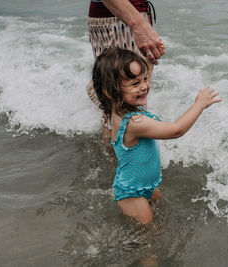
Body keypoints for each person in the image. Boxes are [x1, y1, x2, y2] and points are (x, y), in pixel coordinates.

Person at [92, 47, 221, 224]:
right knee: (150, 233)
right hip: (131, 193)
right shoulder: (133, 123)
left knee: (162, 212)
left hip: (146, 185)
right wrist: (199, 104)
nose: (144, 86)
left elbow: (139, 89)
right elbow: (177, 130)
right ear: (110, 90)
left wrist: (149, 64)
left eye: (144, 79)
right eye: (135, 84)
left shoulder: (121, 110)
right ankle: (147, 253)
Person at [87, 0, 165, 140]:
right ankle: (121, 161)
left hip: (124, 15)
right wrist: (139, 25)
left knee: (122, 109)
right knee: (125, 110)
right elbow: (177, 130)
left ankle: (118, 158)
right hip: (121, 17)